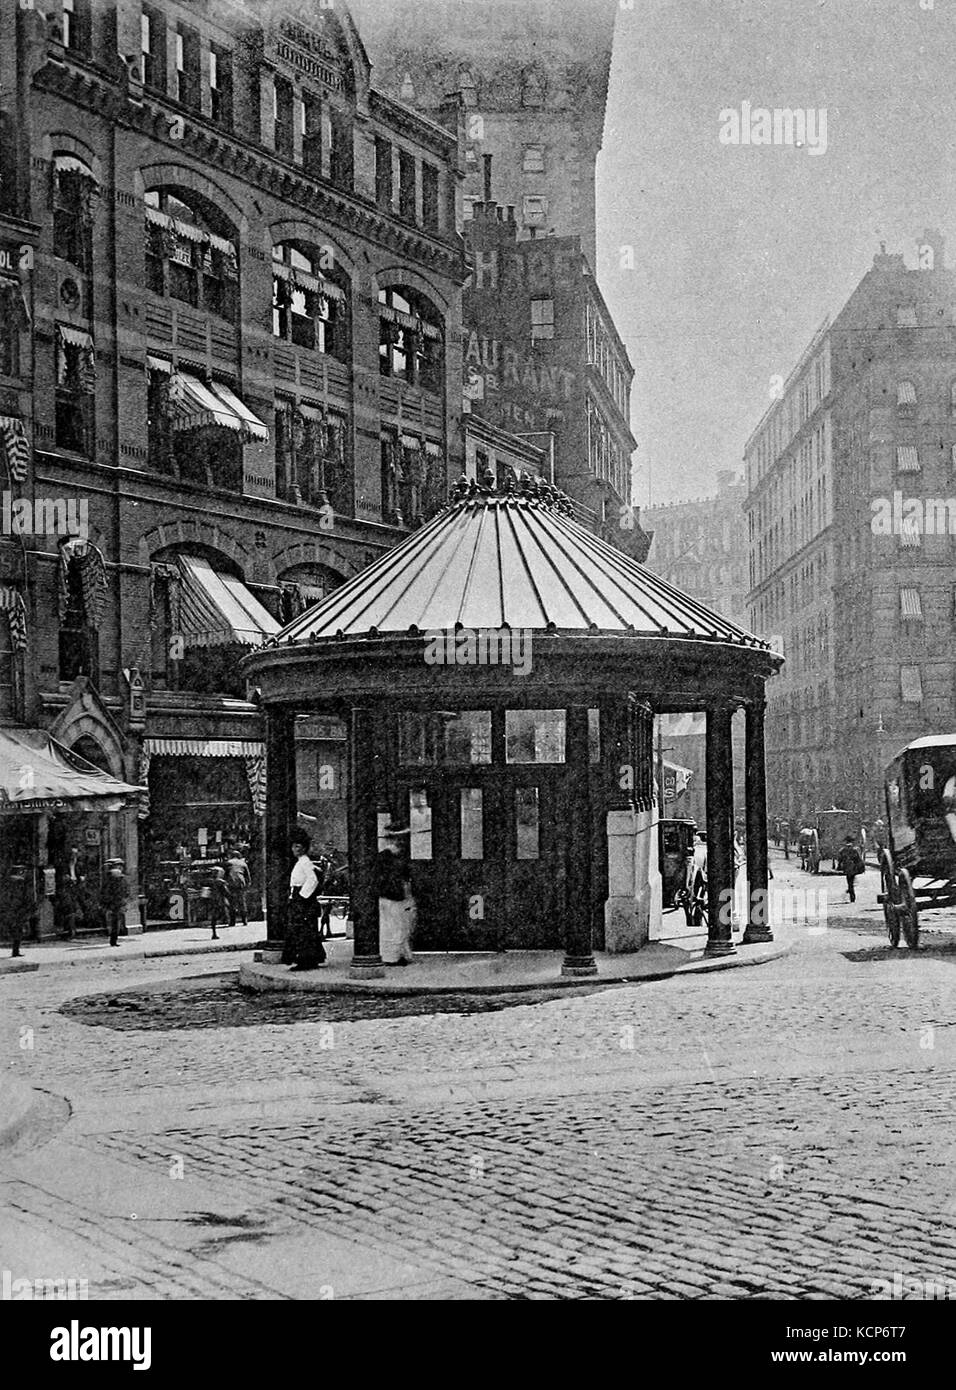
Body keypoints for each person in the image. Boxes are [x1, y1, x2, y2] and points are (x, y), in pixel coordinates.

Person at [282, 831, 326, 971]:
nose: (295, 849)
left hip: (303, 900)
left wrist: (302, 896)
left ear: (304, 848)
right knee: (303, 929)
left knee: (302, 930)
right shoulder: (301, 862)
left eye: (298, 846)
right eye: (294, 846)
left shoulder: (305, 862)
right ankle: (307, 959)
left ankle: (306, 960)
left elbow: (313, 879)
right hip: (298, 896)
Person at [376, 824, 415, 966]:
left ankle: (395, 954)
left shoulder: (385, 856)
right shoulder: (392, 857)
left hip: (389, 895)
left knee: (393, 926)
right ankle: (392, 956)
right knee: (395, 927)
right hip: (393, 895)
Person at [102, 858, 128, 947]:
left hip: (112, 902)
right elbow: (124, 889)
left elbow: (105, 890)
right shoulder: (119, 876)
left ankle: (113, 939)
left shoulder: (108, 877)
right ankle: (114, 940)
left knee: (113, 921)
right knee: (116, 921)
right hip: (118, 901)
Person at [224, 846, 250, 927]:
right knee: (242, 902)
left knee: (232, 903)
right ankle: (244, 920)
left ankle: (232, 922)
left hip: (231, 884)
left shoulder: (228, 863)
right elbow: (248, 876)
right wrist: (247, 884)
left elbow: (225, 874)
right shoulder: (243, 864)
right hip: (241, 884)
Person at [836, 835, 865, 904]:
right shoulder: (855, 849)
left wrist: (839, 866)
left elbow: (840, 859)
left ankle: (851, 893)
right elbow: (858, 859)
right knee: (851, 880)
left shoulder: (843, 850)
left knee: (849, 881)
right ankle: (851, 893)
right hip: (853, 867)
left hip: (847, 867)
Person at [208, 866, 232, 941]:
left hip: (213, 900)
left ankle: (214, 932)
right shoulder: (221, 882)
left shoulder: (211, 881)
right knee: (225, 911)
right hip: (220, 900)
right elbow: (226, 892)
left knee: (214, 917)